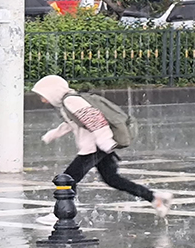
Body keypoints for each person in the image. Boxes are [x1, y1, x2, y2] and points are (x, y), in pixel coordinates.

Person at [31, 75, 173, 218]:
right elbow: (73, 123)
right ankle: (155, 198)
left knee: (66, 180)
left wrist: (105, 142)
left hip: (94, 148)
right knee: (112, 179)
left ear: (53, 91)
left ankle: (62, 214)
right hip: (100, 147)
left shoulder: (71, 101)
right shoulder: (68, 101)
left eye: (44, 96)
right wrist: (53, 134)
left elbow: (95, 119)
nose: (43, 100)